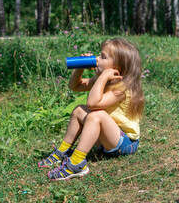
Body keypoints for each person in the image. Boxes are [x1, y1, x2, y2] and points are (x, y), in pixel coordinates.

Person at [37, 38, 145, 181]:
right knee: (79, 110)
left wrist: (104, 76)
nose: (97, 59)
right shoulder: (104, 79)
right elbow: (75, 86)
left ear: (117, 68)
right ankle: (63, 151)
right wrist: (79, 68)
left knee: (96, 115)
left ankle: (77, 163)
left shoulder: (121, 89)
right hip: (108, 138)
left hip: (126, 143)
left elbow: (93, 103)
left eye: (103, 57)